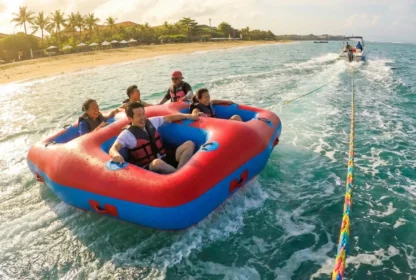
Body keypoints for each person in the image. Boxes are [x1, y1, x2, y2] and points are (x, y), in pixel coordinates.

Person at [109, 101, 199, 174]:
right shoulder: (127, 134)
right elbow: (113, 148)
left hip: (165, 158)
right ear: (130, 118)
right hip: (149, 167)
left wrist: (189, 116)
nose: (143, 118)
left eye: (143, 114)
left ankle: (180, 172)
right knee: (157, 163)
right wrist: (116, 154)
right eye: (138, 116)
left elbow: (169, 118)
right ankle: (178, 176)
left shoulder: (151, 122)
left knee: (189, 144)